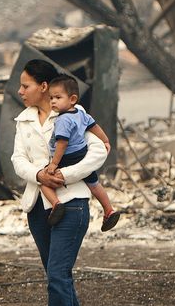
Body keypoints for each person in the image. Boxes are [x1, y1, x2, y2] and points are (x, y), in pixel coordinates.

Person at [11, 59, 107, 306]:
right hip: (38, 205)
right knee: (58, 276)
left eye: (25, 85)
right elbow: (17, 159)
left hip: (72, 203)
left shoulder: (69, 112)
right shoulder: (23, 120)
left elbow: (99, 151)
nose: (20, 91)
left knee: (57, 274)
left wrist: (62, 176)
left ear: (43, 86)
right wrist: (40, 175)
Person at [38, 74, 121, 231]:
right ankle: (109, 209)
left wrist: (54, 164)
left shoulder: (62, 120)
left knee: (44, 182)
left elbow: (62, 143)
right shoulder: (81, 113)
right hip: (81, 154)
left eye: (58, 97)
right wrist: (105, 140)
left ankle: (56, 205)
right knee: (95, 184)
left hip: (67, 158)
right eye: (51, 98)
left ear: (72, 99)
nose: (53, 101)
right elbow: (94, 127)